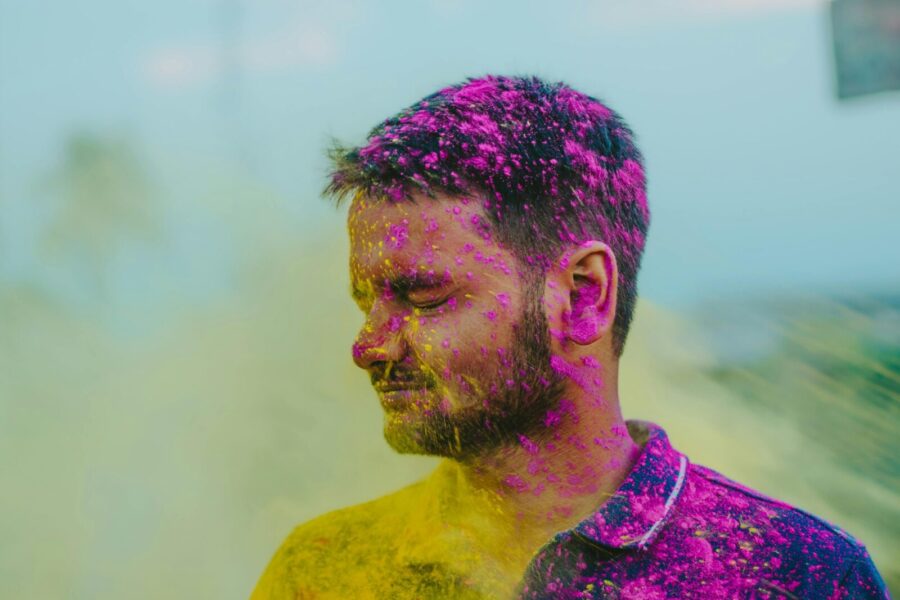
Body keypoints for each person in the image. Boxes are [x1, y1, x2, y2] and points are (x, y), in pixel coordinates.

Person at [251, 75, 889, 599]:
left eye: (423, 297)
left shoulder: (789, 576)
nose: (369, 346)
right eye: (366, 304)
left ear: (585, 294)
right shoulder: (321, 572)